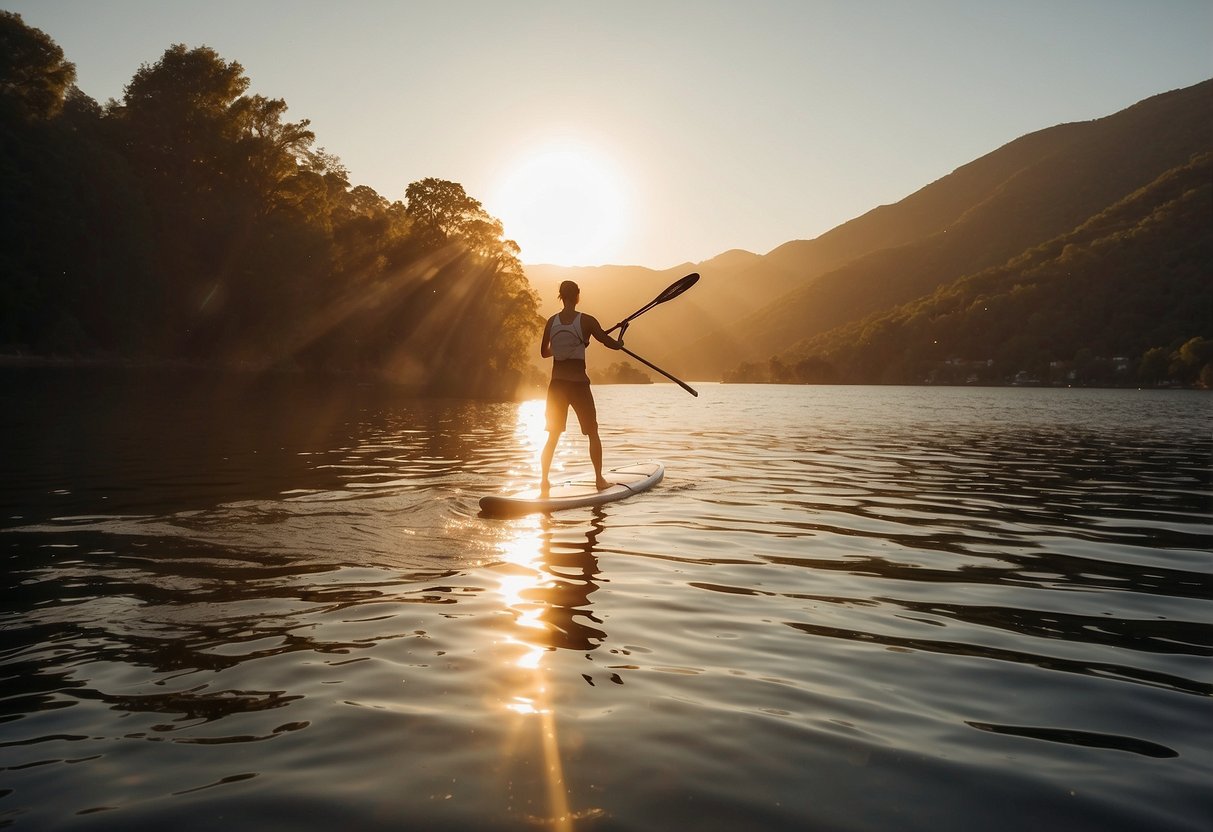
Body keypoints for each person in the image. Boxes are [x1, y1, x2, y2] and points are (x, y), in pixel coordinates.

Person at [540, 280, 623, 493]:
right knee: (593, 432)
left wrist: (564, 346)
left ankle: (544, 481)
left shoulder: (551, 322)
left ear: (561, 296)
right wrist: (621, 338)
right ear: (577, 296)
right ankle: (599, 480)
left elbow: (544, 352)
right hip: (578, 386)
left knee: (553, 435)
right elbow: (609, 343)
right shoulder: (586, 321)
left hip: (556, 386)